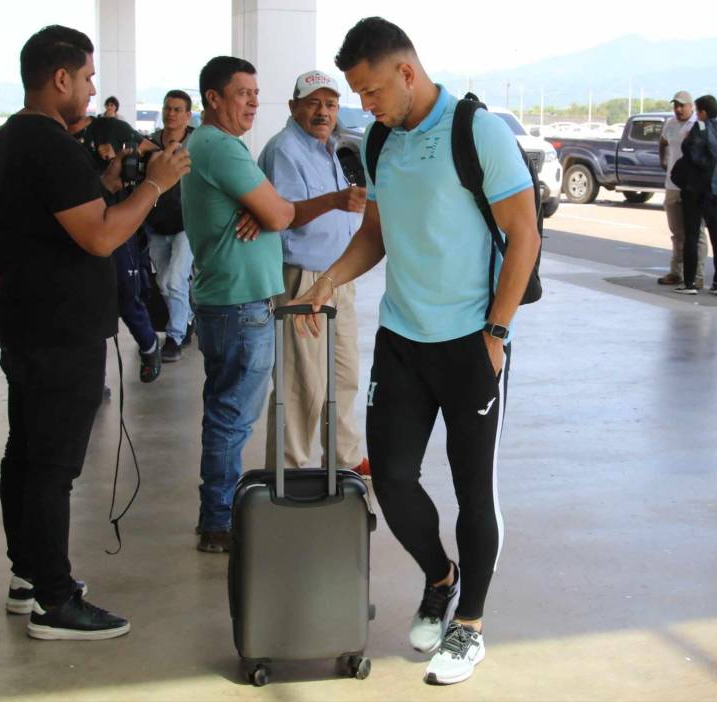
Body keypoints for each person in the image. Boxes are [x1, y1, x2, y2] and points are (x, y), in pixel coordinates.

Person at [292, 17, 539, 685]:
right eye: (357, 95)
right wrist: (327, 281)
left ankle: (471, 625)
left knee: (471, 490)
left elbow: (524, 235)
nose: (362, 106)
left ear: (405, 72)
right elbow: (376, 232)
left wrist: (497, 333)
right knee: (393, 481)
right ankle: (440, 577)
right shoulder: (378, 140)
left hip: (469, 345)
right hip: (402, 340)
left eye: (370, 91)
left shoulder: (475, 130)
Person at [0, 25, 189, 640]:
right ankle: (54, 600)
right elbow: (99, 234)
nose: (94, 90)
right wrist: (155, 185)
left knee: (26, 456)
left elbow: (76, 213)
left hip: (28, 323)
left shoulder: (13, 141)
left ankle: (29, 577)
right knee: (51, 468)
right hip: (57, 333)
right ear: (62, 77)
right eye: (90, 77)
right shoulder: (47, 145)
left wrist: (118, 180)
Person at [181, 56, 295, 554]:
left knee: (223, 411)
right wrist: (268, 210)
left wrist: (266, 211)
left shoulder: (209, 146)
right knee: (231, 416)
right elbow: (280, 211)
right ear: (213, 98)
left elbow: (272, 212)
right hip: (241, 304)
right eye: (242, 92)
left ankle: (216, 513)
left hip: (225, 299)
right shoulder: (221, 148)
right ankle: (219, 521)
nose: (253, 100)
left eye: (256, 91)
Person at [258, 70, 369, 476]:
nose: (323, 112)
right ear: (294, 107)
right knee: (302, 384)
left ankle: (344, 462)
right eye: (313, 103)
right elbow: (284, 215)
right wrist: (337, 200)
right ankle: (290, 475)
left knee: (344, 377)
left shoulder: (329, 148)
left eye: (331, 104)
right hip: (302, 278)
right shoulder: (285, 149)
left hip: (339, 276)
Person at [69, 113, 162, 382]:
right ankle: (94, 378)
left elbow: (151, 151)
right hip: (79, 227)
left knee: (125, 293)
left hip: (117, 221)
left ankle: (148, 344)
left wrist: (122, 155)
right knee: (88, 300)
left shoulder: (108, 127)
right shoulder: (56, 138)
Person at [145, 90, 197, 362]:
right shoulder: (150, 143)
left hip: (187, 224)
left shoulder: (197, 144)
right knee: (164, 283)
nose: (171, 113)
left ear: (188, 115)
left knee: (174, 280)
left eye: (177, 109)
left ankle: (175, 337)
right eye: (168, 108)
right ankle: (187, 318)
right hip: (157, 224)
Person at [674, 94, 717, 296]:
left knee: (692, 235)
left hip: (696, 191)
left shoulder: (699, 128)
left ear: (702, 112)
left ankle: (689, 282)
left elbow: (688, 152)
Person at [658, 90, 707, 288]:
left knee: (697, 233)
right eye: (675, 105)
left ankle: (698, 275)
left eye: (682, 105)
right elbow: (662, 143)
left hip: (693, 187)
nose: (678, 109)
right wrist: (663, 160)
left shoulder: (699, 125)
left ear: (691, 106)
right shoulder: (669, 124)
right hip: (672, 185)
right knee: (677, 232)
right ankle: (676, 271)